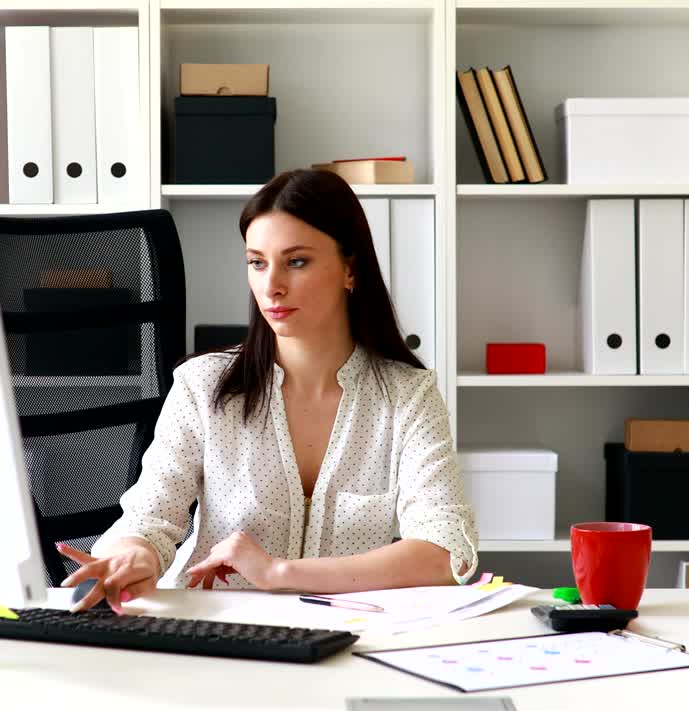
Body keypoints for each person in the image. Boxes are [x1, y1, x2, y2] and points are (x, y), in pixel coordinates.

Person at [58, 168, 479, 614]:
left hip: (345, 631)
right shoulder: (202, 386)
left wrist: (278, 573)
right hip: (213, 629)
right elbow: (148, 518)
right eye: (257, 262)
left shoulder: (409, 397)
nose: (271, 286)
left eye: (296, 262)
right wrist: (134, 555)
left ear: (350, 269)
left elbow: (446, 552)